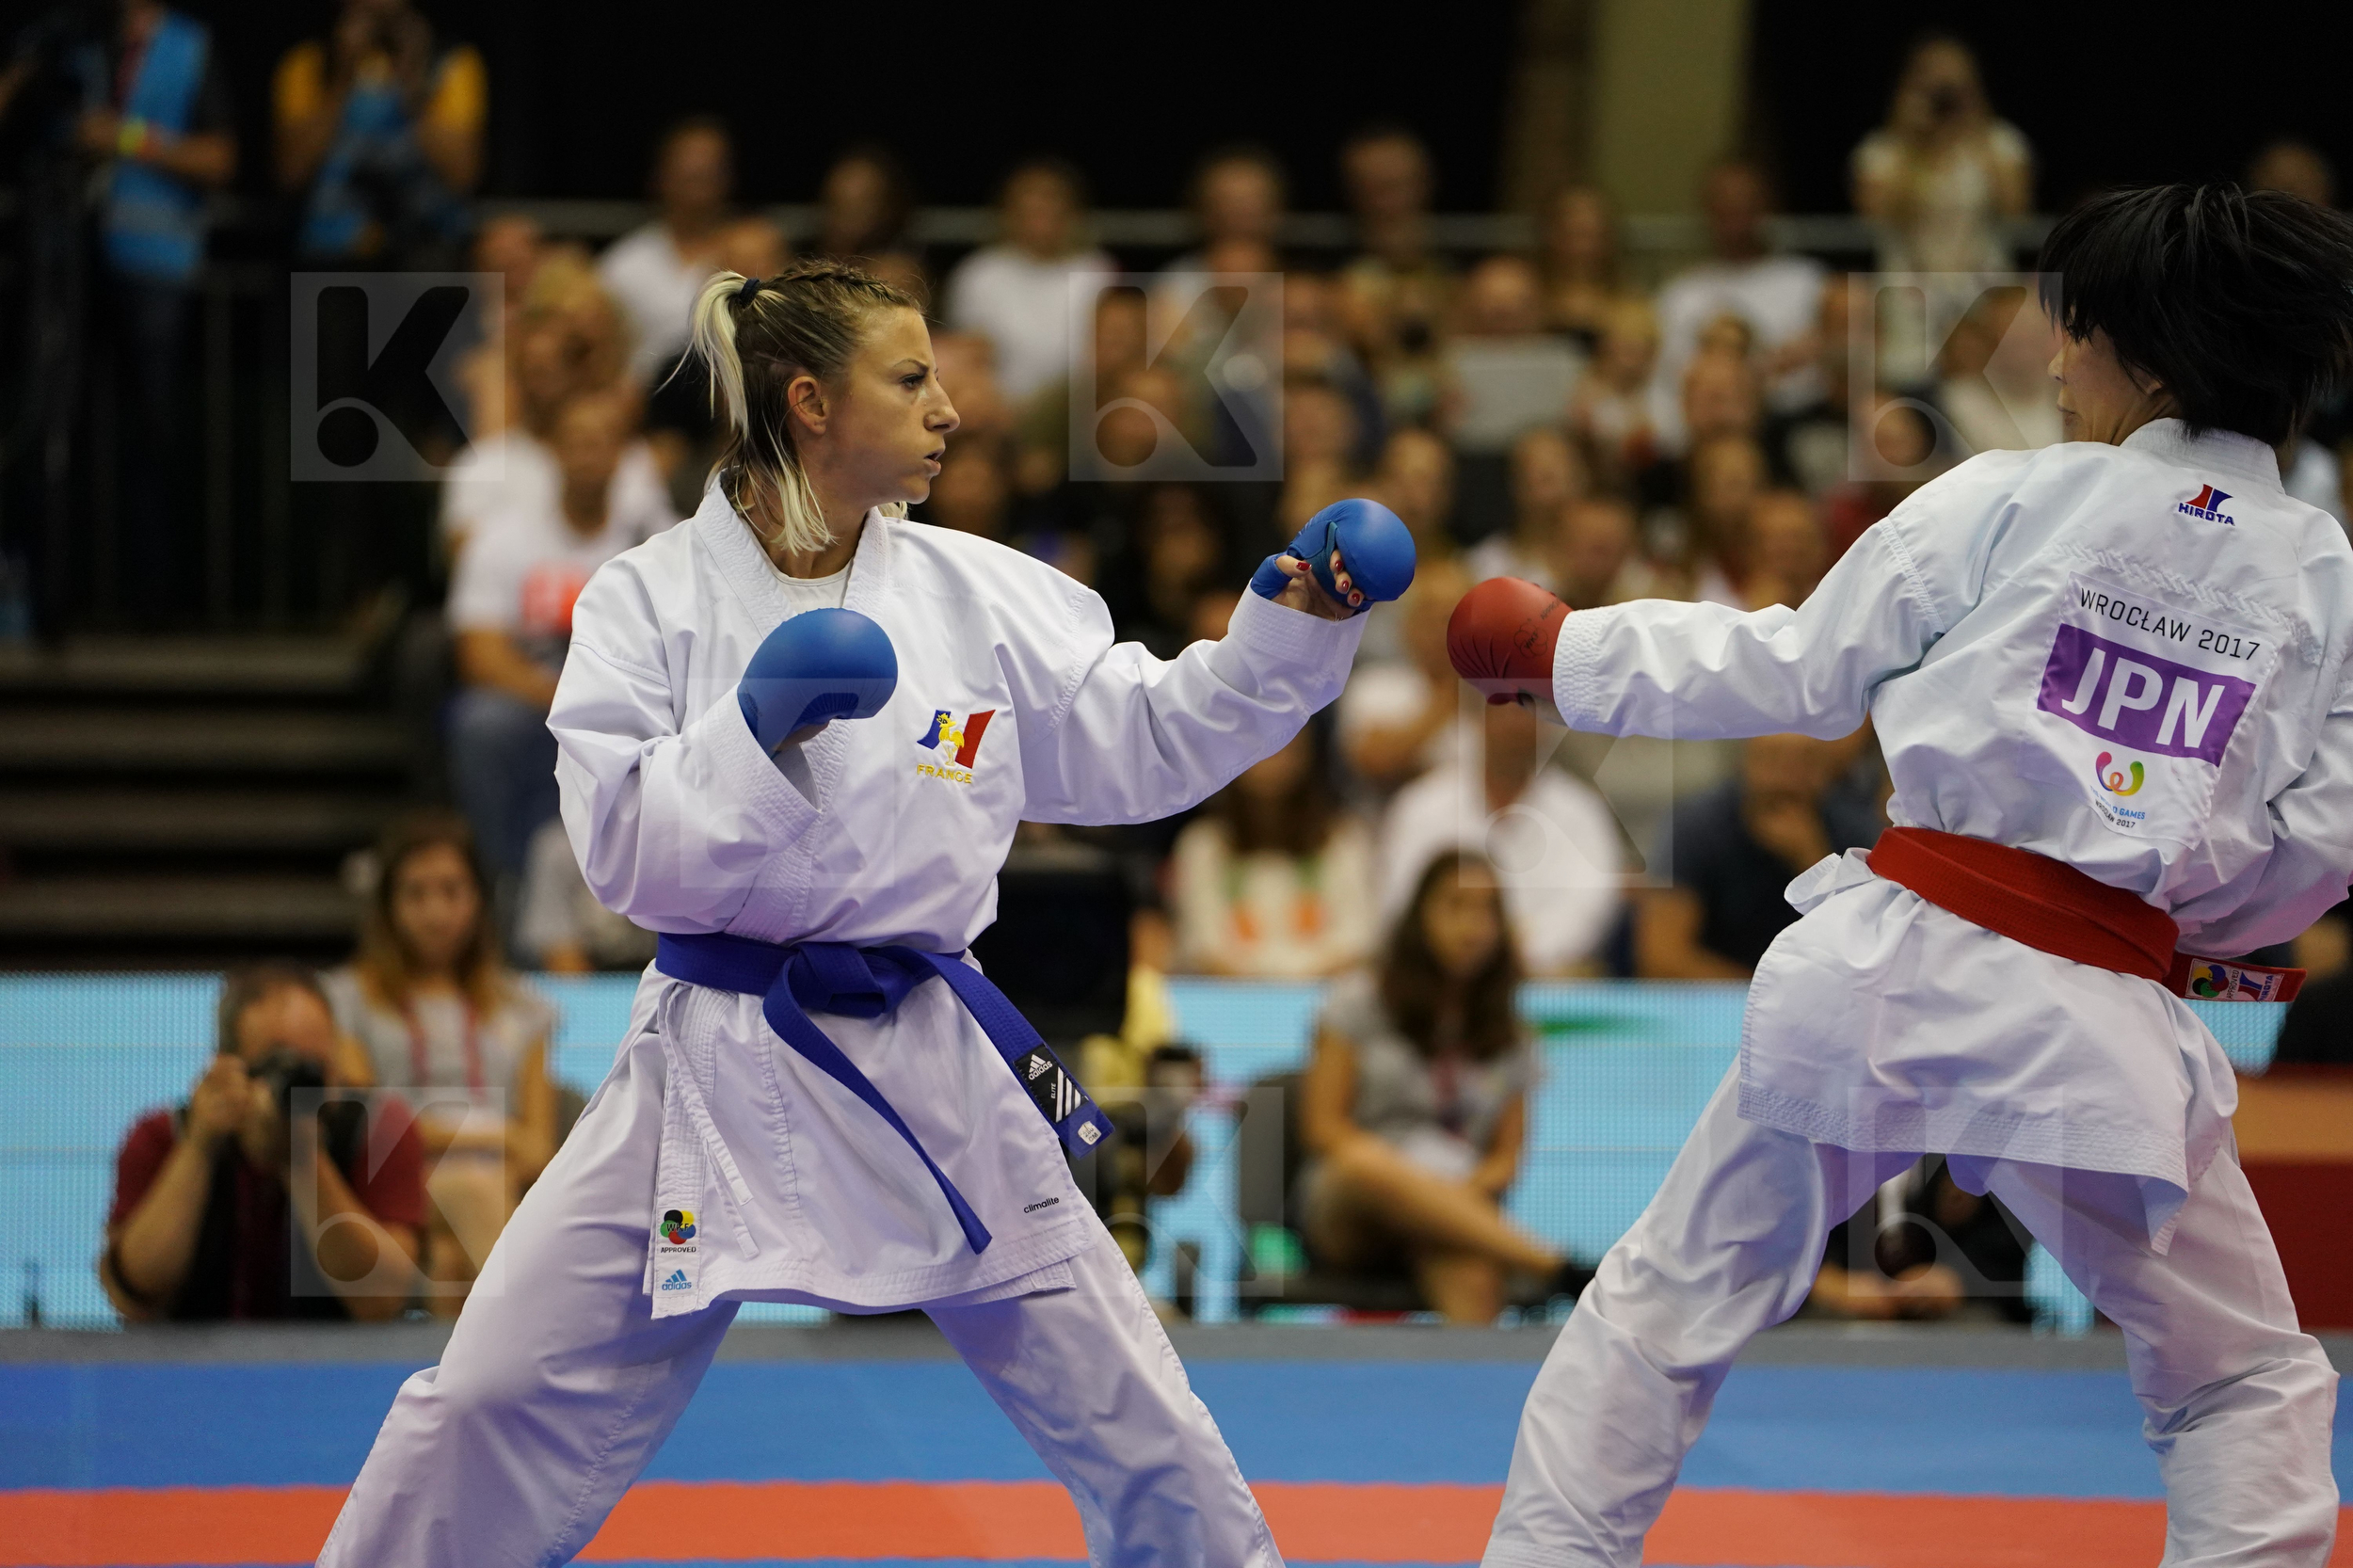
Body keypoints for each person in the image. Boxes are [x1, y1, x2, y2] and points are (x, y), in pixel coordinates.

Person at [320, 257, 1384, 1566]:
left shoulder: (978, 596)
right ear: (811, 402)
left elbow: (1146, 741)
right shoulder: (645, 600)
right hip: (711, 1059)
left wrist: (1283, 635)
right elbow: (619, 859)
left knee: (1143, 1422)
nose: (951, 409)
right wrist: (753, 732)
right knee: (488, 1396)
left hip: (929, 1066)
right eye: (912, 378)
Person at [1449, 184, 2353, 1566]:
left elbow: (1798, 669)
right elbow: (2311, 859)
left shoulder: (2017, 493)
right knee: (2241, 1378)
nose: (2058, 362)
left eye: (2076, 333)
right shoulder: (2321, 574)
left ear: (2148, 355)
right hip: (2098, 1020)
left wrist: (1562, 651)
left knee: (1665, 1302)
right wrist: (2171, 901)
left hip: (1886, 968)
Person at [1299, 850, 1583, 1323]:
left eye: (1487, 911)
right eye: (1455, 906)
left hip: (1455, 1203)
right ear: (1419, 916)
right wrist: (1411, 1183)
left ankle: (1486, 1370)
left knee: (1472, 1272)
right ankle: (1556, 1267)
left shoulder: (1513, 1035)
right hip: (1351, 1207)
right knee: (1364, 1164)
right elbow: (1324, 1130)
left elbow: (1505, 1159)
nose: (1472, 926)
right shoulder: (1355, 1002)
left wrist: (1449, 1196)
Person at [447, 389, 678, 903]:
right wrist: (565, 697)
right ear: (552, 451)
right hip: (535, 699)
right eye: (576, 441)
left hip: (627, 703)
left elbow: (681, 649)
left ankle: (641, 896)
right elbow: (478, 652)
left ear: (624, 453)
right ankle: (500, 886)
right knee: (481, 725)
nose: (588, 454)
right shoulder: (505, 538)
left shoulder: (658, 542)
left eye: (602, 441)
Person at [325, 812, 559, 1315]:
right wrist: (495, 1136)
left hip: (499, 1185)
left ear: (478, 899)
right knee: (475, 1189)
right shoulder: (345, 1002)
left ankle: (482, 1356)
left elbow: (538, 1149)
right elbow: (369, 1131)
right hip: (394, 1186)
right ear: (388, 904)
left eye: (451, 891)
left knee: (453, 1258)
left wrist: (470, 1146)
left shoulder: (527, 1009)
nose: (435, 913)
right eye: (416, 894)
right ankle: (538, 1328)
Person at [102, 963, 424, 1322]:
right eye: (278, 1065)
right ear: (228, 1067)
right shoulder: (163, 1137)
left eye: (314, 1069)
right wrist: (198, 1147)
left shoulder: (378, 1131)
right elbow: (134, 1291)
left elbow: (383, 1302)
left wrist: (303, 1160)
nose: (300, 1089)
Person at [1380, 697, 1623, 976]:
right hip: (1435, 975)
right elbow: (1400, 901)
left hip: (1545, 977)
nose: (1515, 724)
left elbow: (1590, 910)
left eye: (1528, 711)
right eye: (1503, 709)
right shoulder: (1420, 806)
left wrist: (1507, 956)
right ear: (1476, 717)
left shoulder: (1583, 811)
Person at [1635, 732, 1881, 979]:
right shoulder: (1695, 827)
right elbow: (1662, 957)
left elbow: (1868, 948)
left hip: (1816, 990)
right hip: (1720, 995)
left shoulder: (1853, 830)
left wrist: (1814, 862)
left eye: (1805, 762)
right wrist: (1764, 992)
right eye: (1773, 760)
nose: (1786, 779)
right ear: (1743, 764)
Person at [273, 0, 482, 265]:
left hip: (423, 253)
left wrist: (412, 78)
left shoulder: (449, 63)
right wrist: (342, 77)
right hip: (331, 255)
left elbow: (463, 175)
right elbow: (290, 172)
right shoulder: (310, 63)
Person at [1169, 725, 1379, 978]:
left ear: (1307, 754)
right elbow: (1201, 943)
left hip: (1327, 992)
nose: (1271, 759)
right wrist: (1262, 990)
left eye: (1283, 745)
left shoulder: (1344, 839)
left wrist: (1296, 984)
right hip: (1231, 994)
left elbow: (1359, 937)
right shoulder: (1202, 845)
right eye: (1257, 747)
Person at [1647, 162, 1826, 453]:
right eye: (1724, 207)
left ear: (1765, 208)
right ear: (1707, 211)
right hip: (1697, 439)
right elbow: (1668, 375)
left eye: (1744, 205)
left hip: (1791, 429)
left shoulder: (1806, 281)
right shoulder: (1680, 295)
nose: (1735, 217)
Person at [1850, 35, 2032, 279]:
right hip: (1909, 284)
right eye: (1935, 91)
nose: (1944, 102)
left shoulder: (2001, 143)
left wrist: (1976, 131)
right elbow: (1875, 219)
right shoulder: (1883, 151)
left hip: (1985, 283)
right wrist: (1914, 144)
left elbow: (2016, 211)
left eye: (1953, 91)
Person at [944, 158, 1114, 408]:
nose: (1040, 215)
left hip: (1083, 406)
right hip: (1001, 408)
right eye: (1030, 206)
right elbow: (968, 354)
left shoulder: (1099, 271)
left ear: (1072, 212)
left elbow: (1112, 351)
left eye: (1050, 203)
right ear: (1008, 212)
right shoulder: (980, 273)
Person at [599, 116, 737, 384]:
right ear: (660, 176)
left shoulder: (753, 257)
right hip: (644, 399)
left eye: (710, 167)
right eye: (688, 167)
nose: (698, 174)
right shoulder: (622, 265)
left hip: (730, 397)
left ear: (728, 176)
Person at [1467, 427, 1588, 592]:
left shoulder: (1605, 558)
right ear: (1513, 483)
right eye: (1532, 467)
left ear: (1580, 478)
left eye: (1558, 464)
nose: (1546, 474)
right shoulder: (1485, 564)